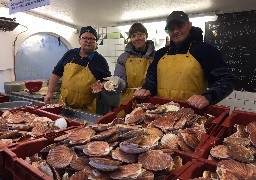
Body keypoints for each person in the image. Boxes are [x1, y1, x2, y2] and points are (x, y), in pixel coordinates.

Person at [134, 11, 235, 109]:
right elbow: (151, 78)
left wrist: (208, 97)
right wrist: (146, 89)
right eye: (171, 28)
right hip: (162, 111)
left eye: (180, 26)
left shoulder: (205, 50)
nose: (175, 31)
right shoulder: (161, 53)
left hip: (191, 113)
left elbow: (226, 80)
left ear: (189, 25)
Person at [44, 26, 111, 113]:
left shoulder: (100, 61)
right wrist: (49, 92)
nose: (88, 41)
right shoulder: (70, 54)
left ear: (95, 42)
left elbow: (109, 81)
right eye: (85, 38)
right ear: (79, 40)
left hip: (86, 110)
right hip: (63, 107)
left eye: (92, 39)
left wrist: (101, 85)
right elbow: (56, 73)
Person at [97, 22, 155, 114]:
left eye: (140, 35)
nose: (137, 38)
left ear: (146, 35)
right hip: (128, 100)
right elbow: (121, 80)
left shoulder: (156, 56)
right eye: (133, 36)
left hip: (150, 97)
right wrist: (116, 83)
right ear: (130, 38)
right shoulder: (123, 57)